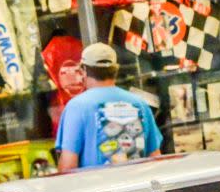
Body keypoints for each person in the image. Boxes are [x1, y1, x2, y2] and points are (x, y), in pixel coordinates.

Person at [55, 42, 161, 170]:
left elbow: (68, 166)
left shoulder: (77, 107)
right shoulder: (140, 104)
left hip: (97, 187)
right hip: (137, 187)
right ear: (115, 69)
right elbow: (155, 158)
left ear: (84, 71)